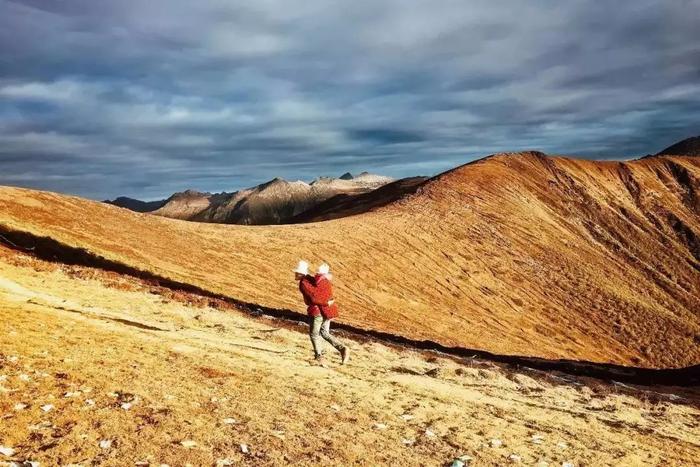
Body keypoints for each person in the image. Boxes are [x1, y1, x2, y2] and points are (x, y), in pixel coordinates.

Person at [294, 260, 349, 366]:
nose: (295, 274)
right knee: (324, 333)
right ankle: (342, 349)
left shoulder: (304, 283)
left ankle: (319, 357)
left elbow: (314, 298)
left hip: (317, 311)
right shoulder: (313, 279)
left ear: (301, 273)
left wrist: (326, 303)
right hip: (325, 311)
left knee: (314, 334)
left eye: (297, 272)